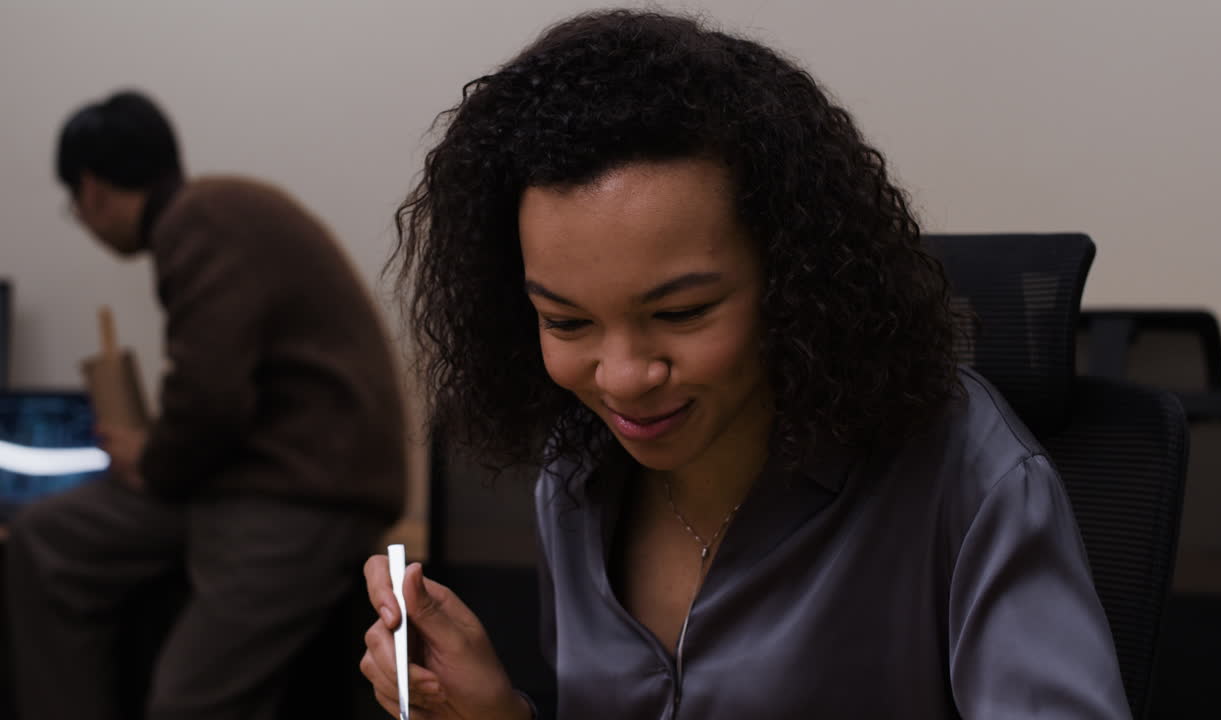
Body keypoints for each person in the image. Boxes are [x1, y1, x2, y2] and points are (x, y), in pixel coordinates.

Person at [361, 9, 1129, 719]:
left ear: (795, 280)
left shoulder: (968, 476)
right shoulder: (578, 473)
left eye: (681, 313)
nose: (623, 376)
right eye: (566, 321)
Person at [6, 90, 408, 720]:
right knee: (44, 538)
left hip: (301, 496)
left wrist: (149, 458)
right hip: (249, 479)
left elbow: (211, 402)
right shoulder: (214, 213)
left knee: (190, 704)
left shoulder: (197, 220)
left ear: (90, 190)